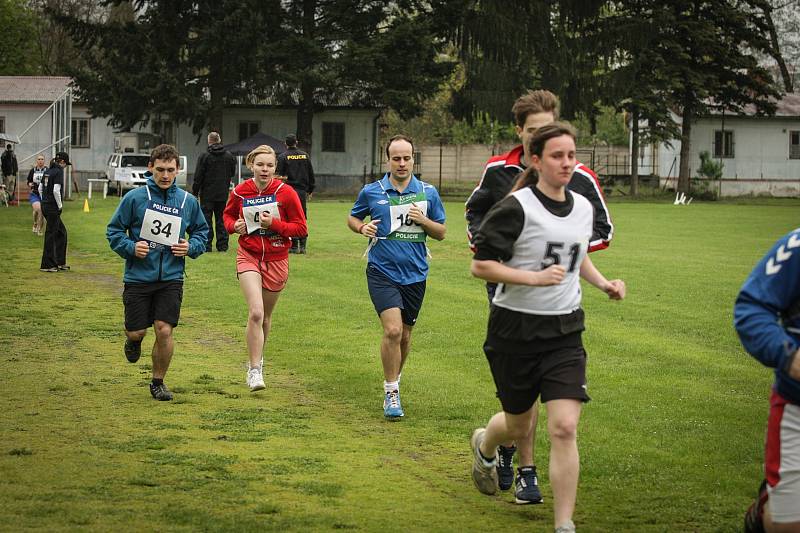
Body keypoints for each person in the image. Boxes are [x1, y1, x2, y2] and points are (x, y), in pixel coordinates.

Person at [469, 123, 625, 533]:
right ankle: (486, 443)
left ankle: (564, 524)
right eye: (557, 156)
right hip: (514, 332)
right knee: (518, 425)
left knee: (564, 426)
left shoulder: (583, 206)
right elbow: (480, 265)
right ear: (535, 160)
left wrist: (603, 283)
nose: (567, 163)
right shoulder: (516, 207)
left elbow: (576, 256)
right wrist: (534, 279)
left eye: (571, 155)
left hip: (564, 332)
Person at [347, 134, 447, 419]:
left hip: (415, 274)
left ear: (414, 158)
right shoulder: (373, 191)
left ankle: (395, 378)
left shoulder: (428, 192)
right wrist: (361, 228)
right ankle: (391, 391)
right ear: (387, 159)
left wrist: (423, 220)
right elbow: (353, 217)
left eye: (407, 158)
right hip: (382, 270)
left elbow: (440, 233)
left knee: (405, 335)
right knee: (392, 330)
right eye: (396, 158)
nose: (402, 163)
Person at [106, 144, 209, 401]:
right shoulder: (134, 198)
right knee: (137, 331)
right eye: (160, 169)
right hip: (139, 277)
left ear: (178, 170)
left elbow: (202, 233)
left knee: (164, 329)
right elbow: (114, 231)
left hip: (171, 278)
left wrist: (190, 246)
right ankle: (134, 340)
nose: (165, 175)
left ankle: (158, 381)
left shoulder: (188, 201)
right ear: (150, 168)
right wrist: (131, 247)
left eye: (170, 170)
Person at [222, 145, 307, 392]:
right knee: (256, 313)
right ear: (251, 166)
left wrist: (276, 224)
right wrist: (233, 226)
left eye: (269, 165)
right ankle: (254, 370)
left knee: (266, 318)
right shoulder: (240, 191)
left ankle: (257, 358)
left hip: (277, 258)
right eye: (260, 165)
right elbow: (227, 217)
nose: (265, 169)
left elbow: (301, 229)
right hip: (248, 255)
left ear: (275, 168)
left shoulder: (286, 193)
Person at [735, 228, 800, 533]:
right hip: (797, 407)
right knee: (787, 524)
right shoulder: (797, 246)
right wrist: (788, 356)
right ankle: (765, 513)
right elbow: (751, 309)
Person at [192, 132, 237, 252]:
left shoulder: (204, 156)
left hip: (207, 193)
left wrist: (195, 192)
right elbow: (232, 172)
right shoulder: (229, 156)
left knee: (206, 219)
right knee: (221, 219)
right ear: (220, 140)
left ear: (209, 141)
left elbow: (198, 176)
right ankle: (222, 245)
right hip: (222, 192)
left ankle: (207, 245)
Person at [276, 133, 314, 254]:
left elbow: (279, 176)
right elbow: (310, 173)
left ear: (285, 143)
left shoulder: (283, 157)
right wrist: (310, 189)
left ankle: (293, 246)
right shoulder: (305, 156)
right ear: (296, 142)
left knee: (289, 218)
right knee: (302, 217)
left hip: (288, 191)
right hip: (302, 191)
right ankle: (303, 246)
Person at [39, 151, 71, 272]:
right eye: (66, 164)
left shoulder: (47, 171)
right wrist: (60, 205)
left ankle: (59, 262)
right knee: (51, 234)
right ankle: (47, 265)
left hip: (45, 205)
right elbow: (56, 190)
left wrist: (44, 201)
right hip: (53, 207)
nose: (65, 167)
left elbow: (40, 188)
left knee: (61, 233)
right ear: (62, 162)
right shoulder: (58, 171)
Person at [27, 154, 47, 235]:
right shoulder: (33, 170)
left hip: (44, 195)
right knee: (38, 210)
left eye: (42, 159)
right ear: (36, 160)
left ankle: (40, 229)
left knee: (41, 211)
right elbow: (28, 181)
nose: (40, 161)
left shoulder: (47, 170)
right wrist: (30, 184)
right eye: (39, 159)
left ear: (44, 161)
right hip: (35, 194)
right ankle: (35, 223)